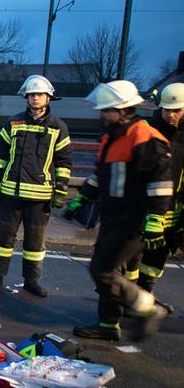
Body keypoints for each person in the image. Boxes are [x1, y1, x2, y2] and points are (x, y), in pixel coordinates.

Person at [67, 80, 174, 342]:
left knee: (103, 271)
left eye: (107, 110)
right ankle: (107, 324)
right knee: (101, 270)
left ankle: (148, 307)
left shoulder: (145, 138)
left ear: (124, 109)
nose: (101, 114)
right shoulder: (112, 138)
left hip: (134, 221)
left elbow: (160, 184)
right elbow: (101, 175)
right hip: (113, 218)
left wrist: (154, 221)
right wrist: (82, 198)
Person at [0, 75, 72, 298]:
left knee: (35, 242)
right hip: (11, 193)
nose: (35, 98)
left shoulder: (58, 128)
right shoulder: (13, 123)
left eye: (39, 94)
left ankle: (32, 280)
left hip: (40, 197)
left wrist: (60, 190)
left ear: (49, 97)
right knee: (2, 239)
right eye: (31, 95)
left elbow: (63, 163)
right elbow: (1, 155)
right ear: (26, 97)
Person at [121, 83, 184, 292]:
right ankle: (124, 299)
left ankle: (145, 295)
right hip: (142, 210)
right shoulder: (146, 130)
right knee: (130, 260)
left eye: (177, 110)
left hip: (171, 213)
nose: (171, 115)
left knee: (155, 260)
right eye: (167, 110)